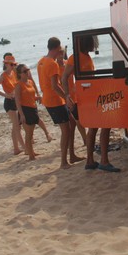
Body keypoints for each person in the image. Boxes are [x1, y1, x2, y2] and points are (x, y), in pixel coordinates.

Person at [62, 34, 120, 172]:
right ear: (87, 43)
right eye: (93, 42)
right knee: (106, 124)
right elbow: (64, 77)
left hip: (90, 96)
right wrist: (67, 96)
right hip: (85, 99)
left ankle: (90, 160)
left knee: (93, 128)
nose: (95, 44)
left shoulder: (86, 56)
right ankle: (104, 161)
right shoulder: (75, 57)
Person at [37, 37, 83, 170]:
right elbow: (55, 86)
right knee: (66, 130)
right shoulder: (52, 63)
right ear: (57, 48)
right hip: (54, 101)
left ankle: (72, 155)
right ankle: (63, 161)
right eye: (60, 48)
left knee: (72, 123)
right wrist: (67, 97)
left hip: (50, 99)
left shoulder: (41, 61)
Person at [0, 55, 27, 155]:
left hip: (16, 101)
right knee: (17, 126)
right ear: (6, 64)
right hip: (9, 103)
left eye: (15, 64)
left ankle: (16, 149)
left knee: (16, 126)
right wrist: (5, 95)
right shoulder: (3, 76)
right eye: (12, 64)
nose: (14, 66)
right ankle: (25, 148)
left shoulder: (15, 73)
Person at [13, 64, 40, 160]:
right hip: (25, 110)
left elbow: (31, 96)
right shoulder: (18, 85)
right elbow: (17, 101)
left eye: (27, 70)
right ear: (19, 74)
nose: (27, 72)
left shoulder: (30, 82)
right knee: (28, 134)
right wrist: (22, 115)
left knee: (31, 133)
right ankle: (31, 155)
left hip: (33, 108)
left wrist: (38, 97)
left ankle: (31, 152)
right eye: (24, 71)